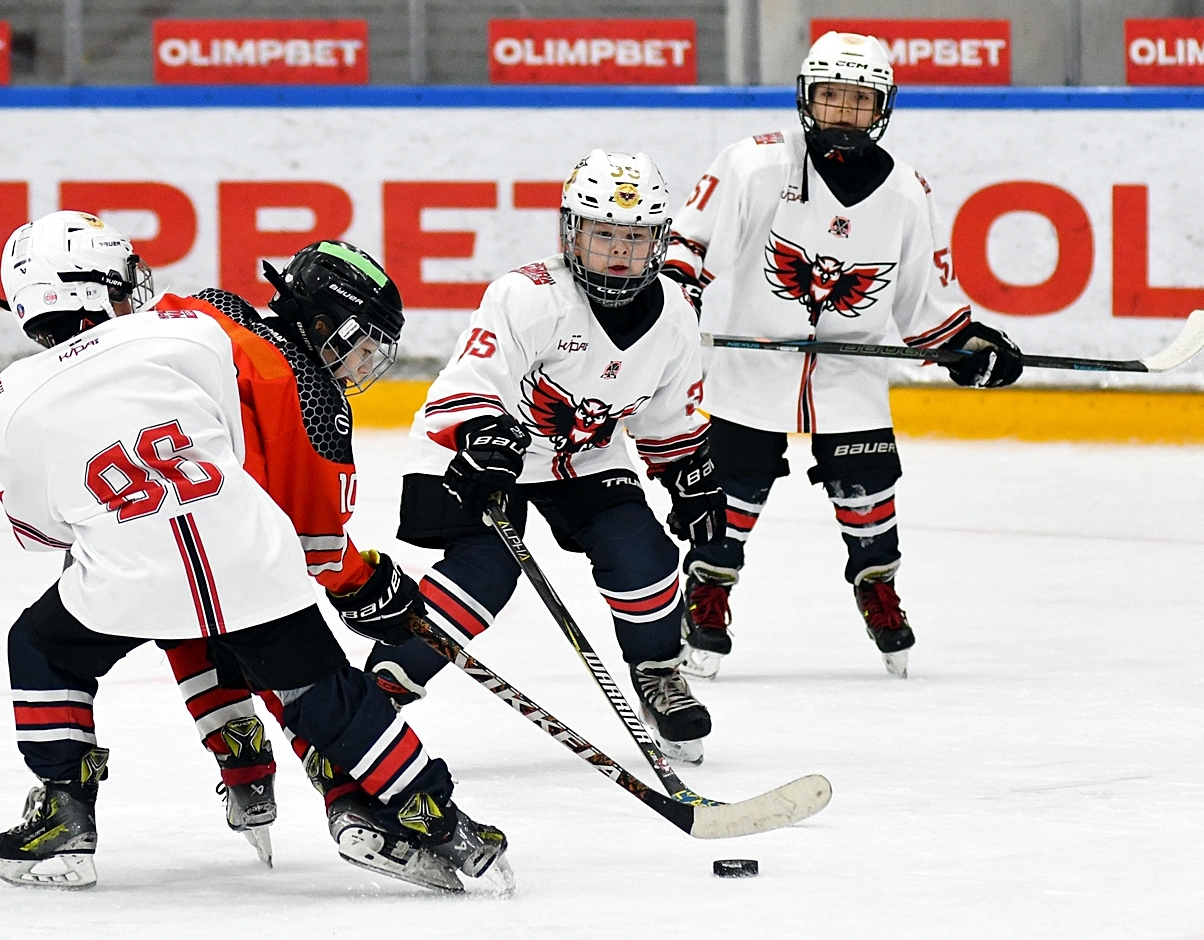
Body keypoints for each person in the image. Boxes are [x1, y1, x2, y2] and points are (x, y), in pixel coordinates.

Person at [0, 212, 508, 892]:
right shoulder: (187, 330)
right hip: (247, 559)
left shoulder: (5, 399)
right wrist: (358, 580)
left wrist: (111, 520)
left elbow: (38, 528)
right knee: (326, 692)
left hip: (127, 578)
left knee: (41, 648)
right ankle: (438, 816)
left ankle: (66, 808)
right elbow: (243, 453)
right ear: (95, 286)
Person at [662, 31, 1023, 680]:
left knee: (867, 488)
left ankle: (875, 586)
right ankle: (708, 591)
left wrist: (969, 348)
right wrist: (671, 297)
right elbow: (686, 244)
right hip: (753, 359)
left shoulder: (907, 191)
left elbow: (924, 304)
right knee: (732, 485)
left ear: (881, 107)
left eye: (859, 100)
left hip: (849, 370)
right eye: (831, 97)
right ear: (807, 98)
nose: (844, 112)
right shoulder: (752, 164)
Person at [363, 150, 726, 766]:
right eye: (602, 232)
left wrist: (690, 479)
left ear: (660, 242)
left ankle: (658, 673)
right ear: (570, 232)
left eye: (634, 238)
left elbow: (668, 421)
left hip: (582, 456)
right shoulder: (528, 296)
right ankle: (381, 687)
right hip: (479, 451)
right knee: (484, 573)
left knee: (640, 549)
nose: (617, 251)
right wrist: (482, 433)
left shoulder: (675, 319)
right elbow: (470, 380)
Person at [151, 241, 443, 875]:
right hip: (234, 559)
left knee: (183, 622)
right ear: (321, 323)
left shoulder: (205, 310)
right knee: (293, 663)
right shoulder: (311, 394)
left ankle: (243, 764)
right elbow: (314, 544)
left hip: (141, 526)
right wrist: (367, 587)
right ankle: (349, 798)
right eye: (362, 343)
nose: (366, 362)